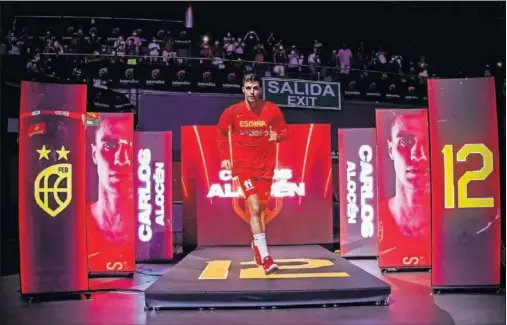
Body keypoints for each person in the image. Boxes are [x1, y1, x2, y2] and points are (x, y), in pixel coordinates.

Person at [216, 74, 289, 274]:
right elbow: (222, 132)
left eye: (255, 88)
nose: (252, 92)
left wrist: (277, 136)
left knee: (262, 209)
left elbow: (284, 131)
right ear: (243, 90)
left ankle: (257, 246)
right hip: (244, 167)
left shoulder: (271, 109)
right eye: (248, 88)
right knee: (254, 208)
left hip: (265, 167)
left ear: (260, 90)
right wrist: (225, 157)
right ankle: (266, 257)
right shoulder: (233, 112)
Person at [379, 111, 431, 265]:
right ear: (390, 149)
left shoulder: (454, 223)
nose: (418, 154)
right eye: (405, 142)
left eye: (427, 142)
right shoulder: (373, 219)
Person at [87, 116, 135, 271]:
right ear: (94, 153)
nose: (122, 159)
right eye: (109, 145)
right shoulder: (73, 224)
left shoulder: (150, 226)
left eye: (131, 146)